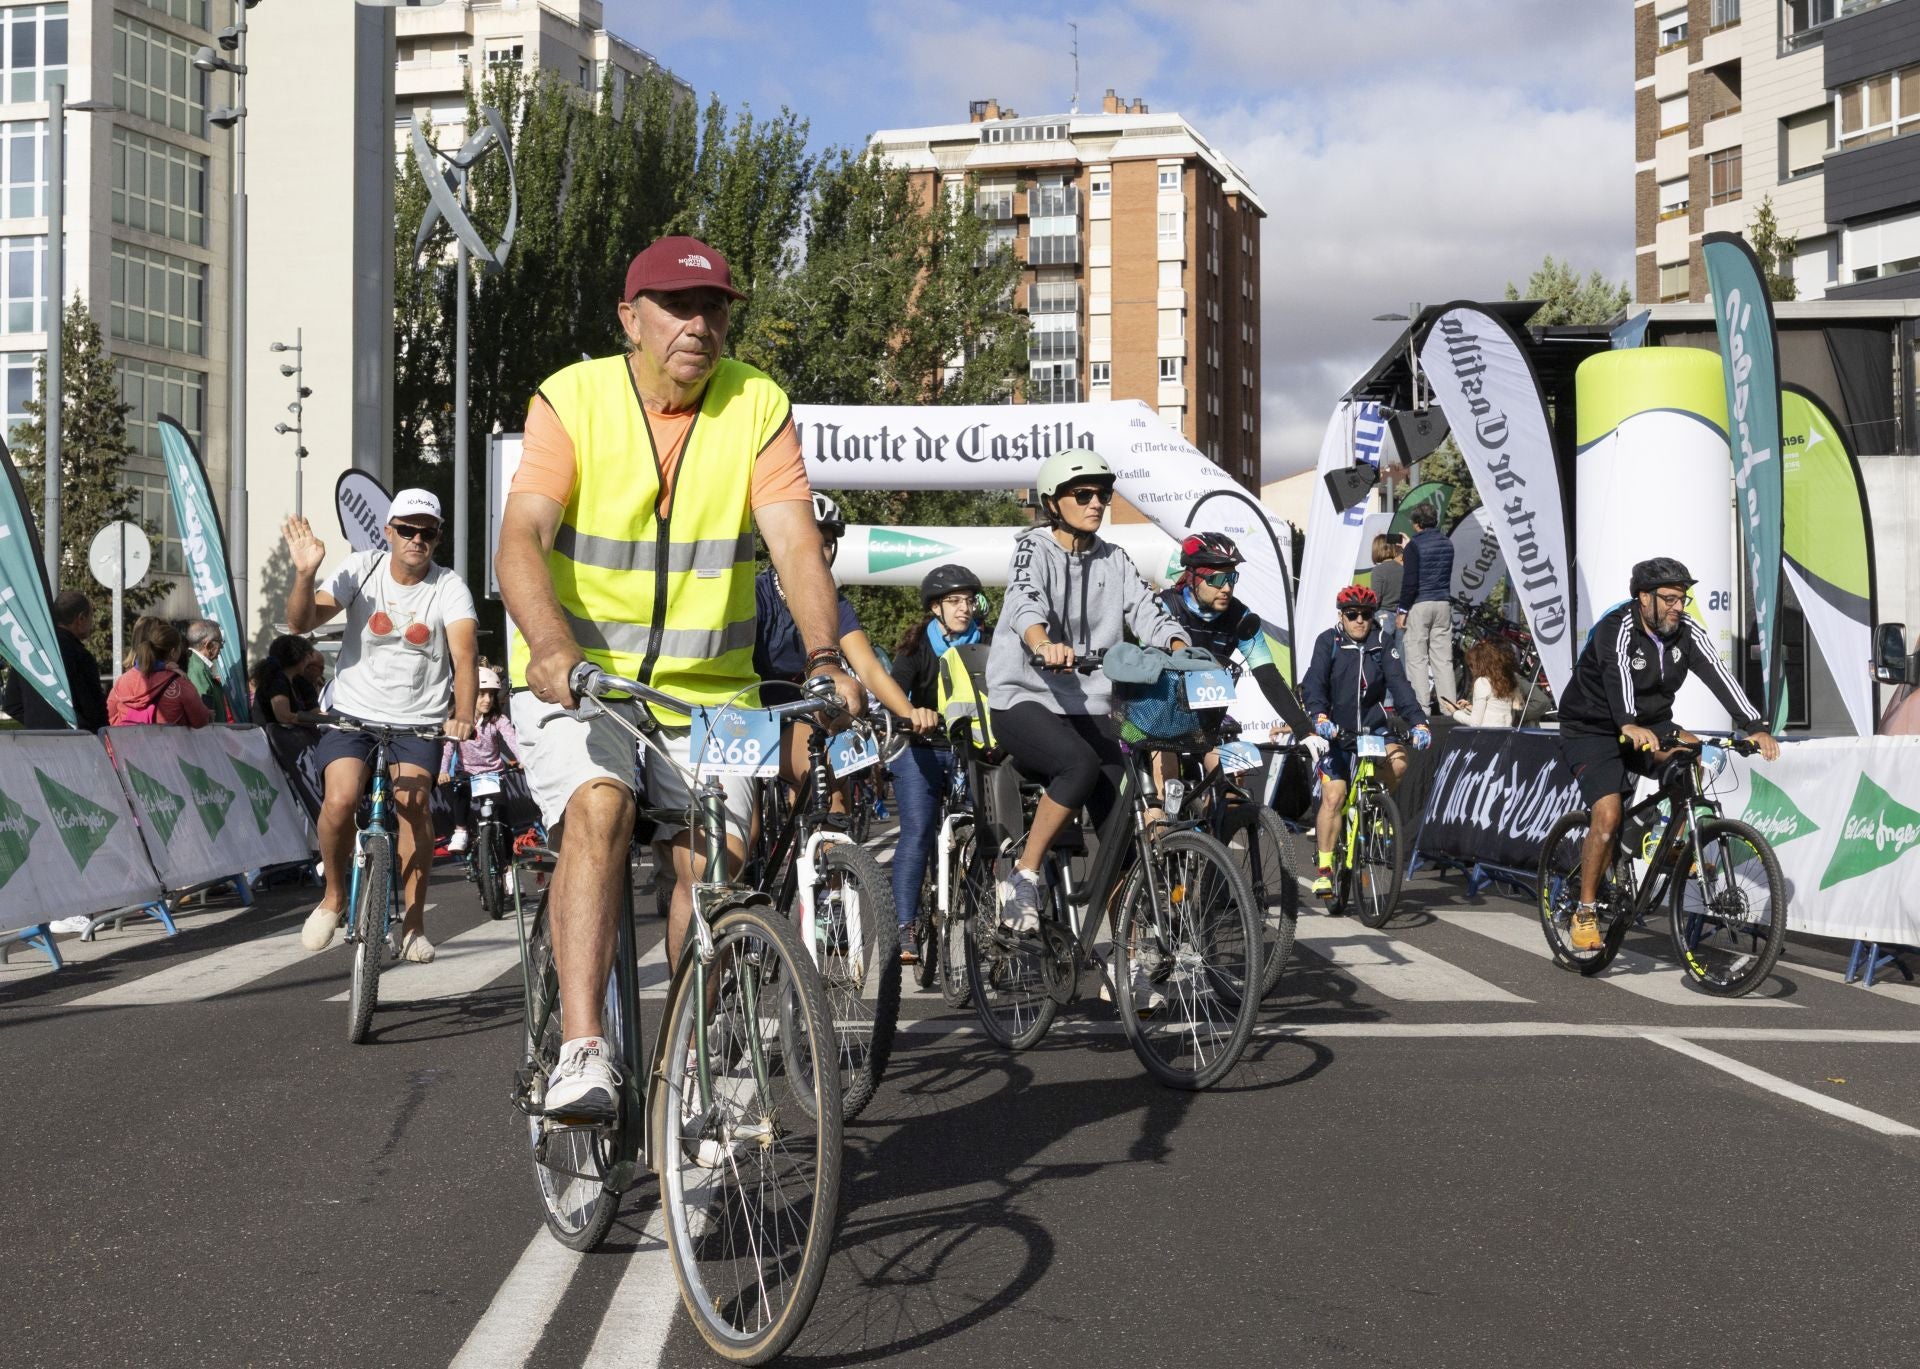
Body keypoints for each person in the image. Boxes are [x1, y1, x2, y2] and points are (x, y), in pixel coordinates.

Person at [495, 234, 861, 1120]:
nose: (698, 324)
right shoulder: (572, 398)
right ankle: (582, 1048)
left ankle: (688, 1069)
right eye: (676, 306)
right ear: (631, 318)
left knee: (718, 860)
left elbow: (795, 547)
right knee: (600, 806)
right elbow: (521, 540)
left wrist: (823, 658)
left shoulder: (757, 404)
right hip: (580, 681)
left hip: (712, 696)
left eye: (714, 308)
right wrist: (549, 645)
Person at [985, 448, 1186, 1007]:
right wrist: (1039, 642)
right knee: (1074, 765)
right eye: (1084, 495)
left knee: (1121, 825)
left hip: (1088, 706)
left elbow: (1145, 607)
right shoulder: (1033, 548)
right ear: (1054, 504)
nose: (1097, 503)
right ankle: (1021, 878)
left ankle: (1118, 960)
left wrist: (1178, 644)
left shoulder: (1116, 558)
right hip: (1025, 698)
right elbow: (1024, 600)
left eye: (1103, 494)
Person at [284, 488, 479, 966]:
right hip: (354, 713)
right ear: (388, 532)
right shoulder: (360, 569)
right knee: (341, 798)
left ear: (436, 538)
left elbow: (465, 656)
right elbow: (301, 623)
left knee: (413, 806)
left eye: (427, 532)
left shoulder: (448, 586)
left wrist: (465, 714)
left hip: (418, 721)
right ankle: (332, 897)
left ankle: (413, 925)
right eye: (407, 530)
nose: (417, 540)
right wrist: (305, 574)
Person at [1556, 557, 1780, 951]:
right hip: (1593, 726)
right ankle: (1585, 912)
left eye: (1683, 599)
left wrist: (1754, 725)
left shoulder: (1686, 632)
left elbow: (1718, 673)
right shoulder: (1618, 627)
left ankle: (1676, 841)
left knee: (1693, 754)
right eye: (1671, 599)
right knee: (1607, 816)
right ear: (1644, 598)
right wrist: (1626, 723)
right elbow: (1616, 674)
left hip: (1651, 724)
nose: (1679, 606)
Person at [754, 491, 937, 795]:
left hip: (809, 718)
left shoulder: (836, 604)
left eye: (826, 544)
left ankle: (828, 842)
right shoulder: (755, 596)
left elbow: (868, 667)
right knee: (749, 831)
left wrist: (909, 712)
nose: (817, 551)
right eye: (809, 540)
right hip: (754, 715)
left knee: (832, 788)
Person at [1300, 583, 1431, 903]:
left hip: (1373, 729)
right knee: (1334, 794)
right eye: (1352, 614)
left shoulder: (1382, 643)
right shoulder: (1327, 642)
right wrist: (1319, 717)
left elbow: (1400, 687)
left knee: (1399, 760)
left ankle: (1371, 807)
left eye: (1366, 615)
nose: (1360, 620)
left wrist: (1419, 722)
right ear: (1341, 616)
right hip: (1337, 732)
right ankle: (1326, 869)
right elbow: (1313, 684)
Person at [887, 563, 988, 963]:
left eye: (969, 600)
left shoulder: (990, 644)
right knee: (917, 830)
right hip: (922, 748)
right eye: (954, 601)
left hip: (973, 749)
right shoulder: (916, 649)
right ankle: (906, 925)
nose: (964, 608)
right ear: (935, 608)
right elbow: (895, 692)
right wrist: (912, 711)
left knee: (992, 831)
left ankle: (990, 922)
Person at [1159, 531, 1312, 737]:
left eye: (1232, 578)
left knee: (1222, 764)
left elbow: (1268, 677)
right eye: (1218, 579)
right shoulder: (1165, 607)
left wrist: (1304, 730)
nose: (1227, 588)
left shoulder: (1240, 616)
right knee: (1166, 765)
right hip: (1162, 709)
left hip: (1205, 714)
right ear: (1192, 577)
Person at [438, 665, 522, 853]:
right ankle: (460, 831)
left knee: (503, 819)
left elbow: (512, 738)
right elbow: (448, 748)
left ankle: (508, 872)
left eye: (491, 695)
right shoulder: (457, 721)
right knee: (460, 793)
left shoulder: (497, 719)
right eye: (481, 694)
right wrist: (443, 771)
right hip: (467, 772)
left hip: (493, 773)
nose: (487, 700)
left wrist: (521, 758)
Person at [1, 589, 108, 732]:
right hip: (75, 743)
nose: (91, 623)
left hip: (36, 743)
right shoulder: (80, 656)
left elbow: (12, 704)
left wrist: (38, 722)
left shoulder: (30, 651)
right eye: (90, 617)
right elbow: (94, 711)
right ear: (81, 618)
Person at [1396, 503, 1458, 712]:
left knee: (1417, 659)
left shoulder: (1414, 545)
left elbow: (1411, 581)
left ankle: (1421, 710)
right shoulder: (1447, 543)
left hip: (1420, 604)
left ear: (1416, 524)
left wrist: (1402, 610)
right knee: (1443, 660)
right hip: (1443, 603)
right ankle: (1450, 710)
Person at [106, 620, 212, 727]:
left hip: (127, 742)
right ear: (173, 652)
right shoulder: (181, 684)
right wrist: (208, 714)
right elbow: (200, 721)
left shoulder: (122, 681)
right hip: (169, 743)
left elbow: (109, 714)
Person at [251, 634, 326, 728]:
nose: (309, 660)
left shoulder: (298, 681)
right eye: (309, 655)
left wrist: (338, 720)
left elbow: (315, 712)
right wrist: (331, 720)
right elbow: (284, 717)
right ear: (299, 657)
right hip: (269, 739)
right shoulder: (277, 680)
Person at [1449, 638, 1521, 728]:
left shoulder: (1482, 682)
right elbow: (1494, 712)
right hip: (1506, 733)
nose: (1471, 670)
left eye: (1471, 665)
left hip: (1487, 736)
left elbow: (1475, 723)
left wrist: (1455, 712)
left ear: (1479, 664)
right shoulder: (1506, 680)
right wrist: (1469, 709)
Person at [182, 620, 231, 721]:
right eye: (220, 642)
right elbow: (204, 713)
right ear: (209, 645)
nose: (221, 646)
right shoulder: (197, 669)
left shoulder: (195, 663)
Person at [1369, 533, 1404, 645]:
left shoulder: (1378, 570)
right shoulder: (1403, 569)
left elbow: (1376, 598)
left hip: (1382, 616)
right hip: (1401, 617)